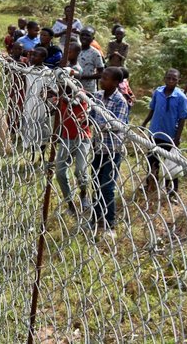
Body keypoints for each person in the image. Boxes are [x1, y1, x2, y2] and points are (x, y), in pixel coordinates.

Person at [88, 67, 130, 240]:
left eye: (105, 78)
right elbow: (91, 114)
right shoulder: (97, 96)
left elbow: (115, 125)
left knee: (107, 187)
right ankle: (95, 218)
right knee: (96, 183)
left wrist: (97, 125)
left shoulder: (120, 101)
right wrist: (88, 119)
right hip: (98, 147)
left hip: (112, 150)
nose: (101, 80)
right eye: (102, 77)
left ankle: (109, 223)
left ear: (115, 83)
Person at [141, 68, 187, 198]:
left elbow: (182, 118)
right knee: (152, 160)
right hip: (155, 132)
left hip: (169, 136)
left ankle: (172, 192)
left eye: (174, 79)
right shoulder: (158, 92)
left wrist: (177, 138)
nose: (171, 81)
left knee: (171, 165)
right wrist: (144, 123)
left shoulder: (181, 97)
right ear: (164, 78)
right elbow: (152, 109)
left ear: (178, 81)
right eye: (168, 78)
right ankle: (151, 185)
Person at [54, 79, 91, 219]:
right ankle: (70, 204)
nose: (63, 87)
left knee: (80, 170)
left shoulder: (83, 96)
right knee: (60, 172)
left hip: (83, 137)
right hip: (66, 137)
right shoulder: (60, 98)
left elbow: (86, 111)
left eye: (65, 84)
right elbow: (55, 113)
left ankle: (83, 196)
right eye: (61, 85)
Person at [73, 28, 104, 94]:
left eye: (87, 35)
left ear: (93, 38)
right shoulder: (74, 49)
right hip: (73, 87)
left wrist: (82, 77)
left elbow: (101, 73)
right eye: (82, 35)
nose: (84, 37)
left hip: (88, 90)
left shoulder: (95, 53)